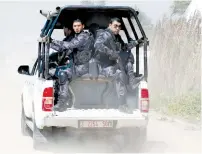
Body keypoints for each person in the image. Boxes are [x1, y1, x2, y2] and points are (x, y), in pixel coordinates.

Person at [94, 17, 143, 113]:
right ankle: (122, 104)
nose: (117, 28)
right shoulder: (105, 35)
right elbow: (97, 45)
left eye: (119, 27)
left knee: (128, 62)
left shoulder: (117, 37)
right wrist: (111, 52)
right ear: (110, 25)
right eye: (115, 26)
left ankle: (132, 82)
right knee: (119, 74)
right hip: (105, 66)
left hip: (114, 64)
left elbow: (124, 47)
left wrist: (136, 42)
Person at [46, 19, 94, 112]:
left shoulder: (83, 36)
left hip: (83, 67)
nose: (76, 28)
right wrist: (50, 43)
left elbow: (71, 45)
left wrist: (53, 40)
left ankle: (62, 103)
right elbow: (63, 49)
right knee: (58, 73)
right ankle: (62, 100)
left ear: (83, 26)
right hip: (76, 67)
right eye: (75, 26)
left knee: (63, 74)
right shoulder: (77, 37)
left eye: (78, 26)